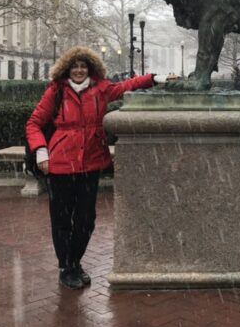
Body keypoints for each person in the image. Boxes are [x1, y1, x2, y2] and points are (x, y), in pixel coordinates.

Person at [26, 46, 160, 290]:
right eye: (75, 66)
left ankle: (74, 261)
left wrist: (152, 79)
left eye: (83, 66)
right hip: (60, 166)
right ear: (67, 69)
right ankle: (67, 266)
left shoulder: (100, 89)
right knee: (62, 220)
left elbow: (125, 87)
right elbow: (34, 123)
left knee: (86, 220)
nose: (78, 70)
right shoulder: (56, 91)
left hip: (90, 163)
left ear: (90, 69)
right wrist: (41, 151)